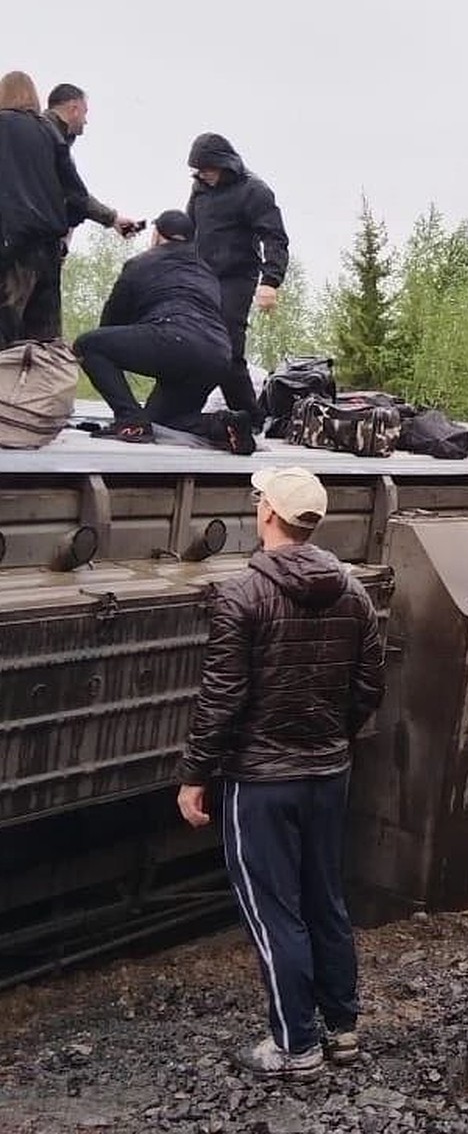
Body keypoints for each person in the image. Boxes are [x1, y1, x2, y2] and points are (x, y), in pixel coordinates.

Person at [176, 467, 384, 1079]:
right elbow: (370, 685)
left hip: (262, 781)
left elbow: (221, 699)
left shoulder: (242, 594)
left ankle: (295, 1047)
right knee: (326, 901)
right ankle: (342, 1032)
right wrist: (332, 738)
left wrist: (194, 775)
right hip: (328, 773)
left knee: (275, 915)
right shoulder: (354, 591)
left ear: (267, 513)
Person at [74, 209, 255, 452]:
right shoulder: (206, 271)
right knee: (165, 422)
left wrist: (113, 362)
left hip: (174, 338)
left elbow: (111, 323)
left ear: (157, 235)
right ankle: (225, 425)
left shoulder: (141, 263)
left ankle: (129, 421)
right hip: (218, 354)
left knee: (89, 345)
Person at [186, 133, 288, 427]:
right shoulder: (200, 190)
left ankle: (250, 417)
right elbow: (190, 225)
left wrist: (270, 281)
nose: (203, 174)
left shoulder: (254, 190)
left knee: (228, 349)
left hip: (237, 277)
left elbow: (275, 238)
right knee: (194, 344)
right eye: (199, 170)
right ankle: (181, 408)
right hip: (203, 276)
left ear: (224, 164)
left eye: (208, 168)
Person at [0, 71, 87, 348]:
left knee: (5, 334)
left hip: (11, 246)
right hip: (48, 250)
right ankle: (40, 391)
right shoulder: (49, 132)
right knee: (43, 341)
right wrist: (64, 231)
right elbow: (77, 194)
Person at [42, 84, 140, 239]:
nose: (85, 121)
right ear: (74, 109)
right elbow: (75, 193)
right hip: (35, 237)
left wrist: (112, 219)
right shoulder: (49, 140)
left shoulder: (49, 138)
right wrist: (111, 218)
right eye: (84, 112)